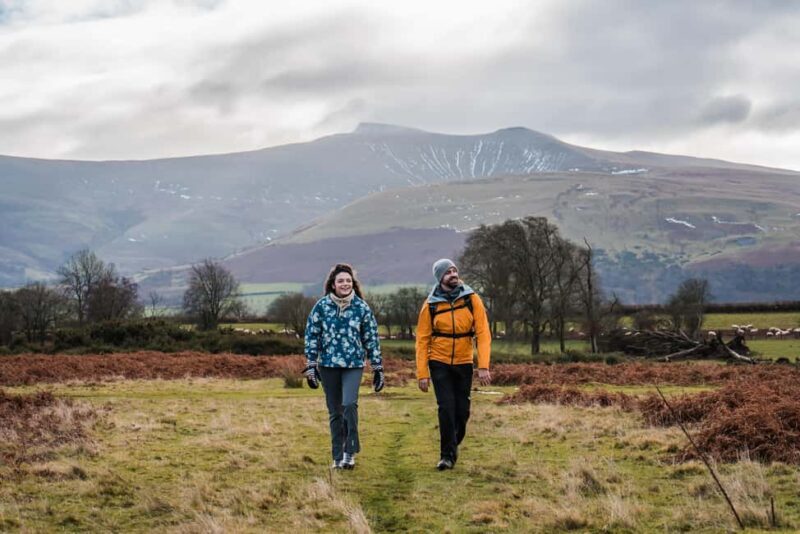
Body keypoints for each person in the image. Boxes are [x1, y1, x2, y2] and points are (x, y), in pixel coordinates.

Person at [303, 263, 385, 470]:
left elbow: (371, 338)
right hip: (328, 365)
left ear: (353, 284)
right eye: (341, 281)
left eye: (348, 280)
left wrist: (377, 366)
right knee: (335, 412)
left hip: (353, 364)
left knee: (349, 405)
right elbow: (312, 335)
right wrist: (311, 364)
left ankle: (350, 452)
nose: (345, 284)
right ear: (333, 284)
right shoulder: (321, 307)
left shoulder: (361, 308)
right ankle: (337, 457)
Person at [415, 258, 491, 470]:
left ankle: (452, 444)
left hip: (464, 362)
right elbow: (422, 340)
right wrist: (422, 373)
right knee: (446, 408)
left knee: (462, 411)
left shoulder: (471, 299)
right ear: (440, 277)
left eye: (455, 270)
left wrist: (483, 366)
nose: (453, 274)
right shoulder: (430, 305)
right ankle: (446, 456)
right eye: (448, 272)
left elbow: (483, 333)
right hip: (439, 362)